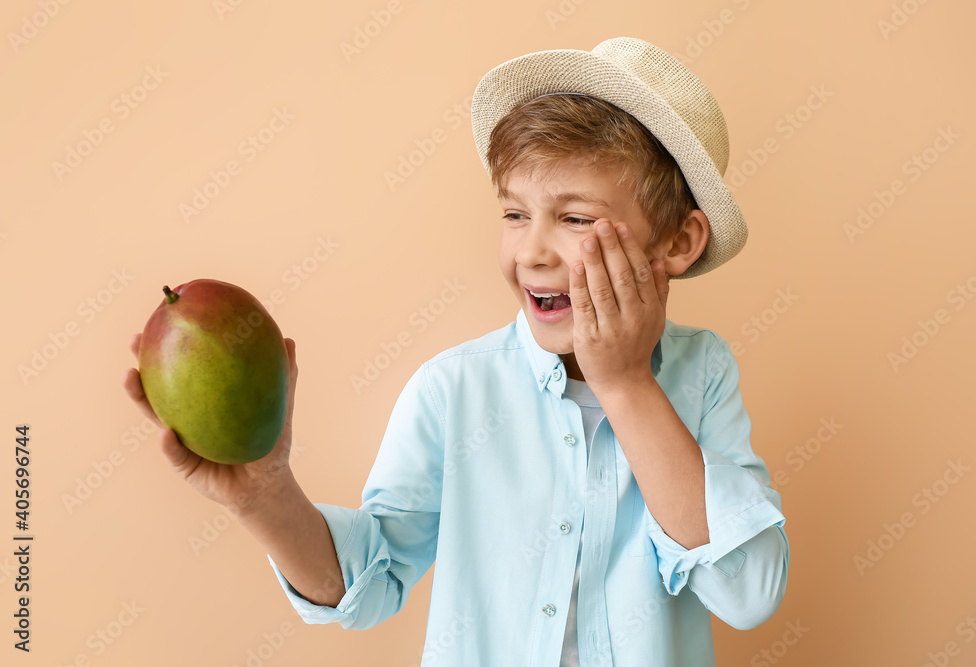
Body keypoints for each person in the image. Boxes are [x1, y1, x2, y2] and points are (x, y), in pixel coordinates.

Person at [123, 36, 788, 667]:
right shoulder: (455, 389)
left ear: (676, 243)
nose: (532, 251)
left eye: (576, 218)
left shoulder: (704, 374)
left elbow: (750, 591)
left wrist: (625, 384)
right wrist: (263, 495)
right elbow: (368, 581)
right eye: (515, 214)